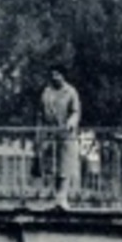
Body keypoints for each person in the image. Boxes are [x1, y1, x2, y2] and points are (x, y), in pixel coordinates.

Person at [39, 72, 82, 206]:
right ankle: (54, 198)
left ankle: (63, 198)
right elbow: (41, 112)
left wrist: (71, 123)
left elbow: (75, 111)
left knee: (65, 167)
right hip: (50, 133)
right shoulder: (47, 92)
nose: (55, 77)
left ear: (63, 76)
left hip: (66, 134)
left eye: (58, 74)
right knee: (52, 166)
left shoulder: (71, 92)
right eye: (52, 75)